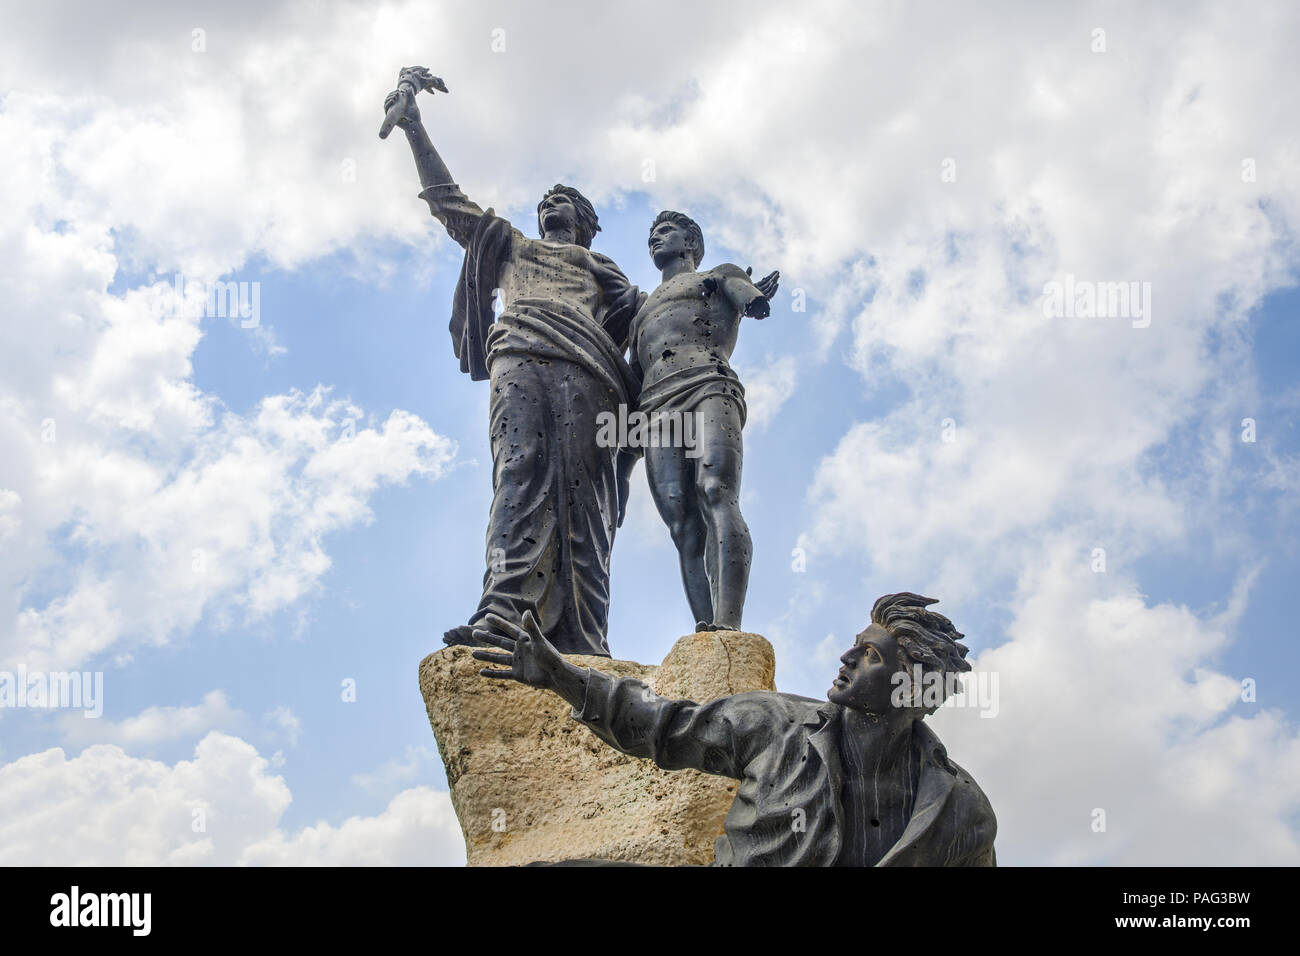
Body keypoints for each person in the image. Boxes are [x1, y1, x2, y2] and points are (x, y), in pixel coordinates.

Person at [385, 76, 644, 656]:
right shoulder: (511, 244)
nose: (551, 204)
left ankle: (583, 633)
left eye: (564, 201)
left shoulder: (599, 265)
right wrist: (413, 125)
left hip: (589, 368)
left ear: (583, 220)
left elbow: (643, 319)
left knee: (585, 496)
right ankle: (504, 609)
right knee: (519, 470)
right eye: (545, 199)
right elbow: (450, 205)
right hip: (521, 354)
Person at [471, 591, 997, 866]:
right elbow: (665, 726)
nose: (845, 657)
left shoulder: (960, 812)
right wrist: (564, 677)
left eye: (869, 655)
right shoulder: (775, 725)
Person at [627, 211, 778, 630]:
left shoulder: (715, 275)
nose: (656, 238)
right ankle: (705, 629)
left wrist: (753, 299)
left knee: (714, 490)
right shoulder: (641, 310)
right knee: (682, 523)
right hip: (656, 406)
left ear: (692, 242)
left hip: (708, 382)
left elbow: (744, 294)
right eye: (651, 234)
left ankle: (729, 623)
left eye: (666, 231)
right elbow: (629, 375)